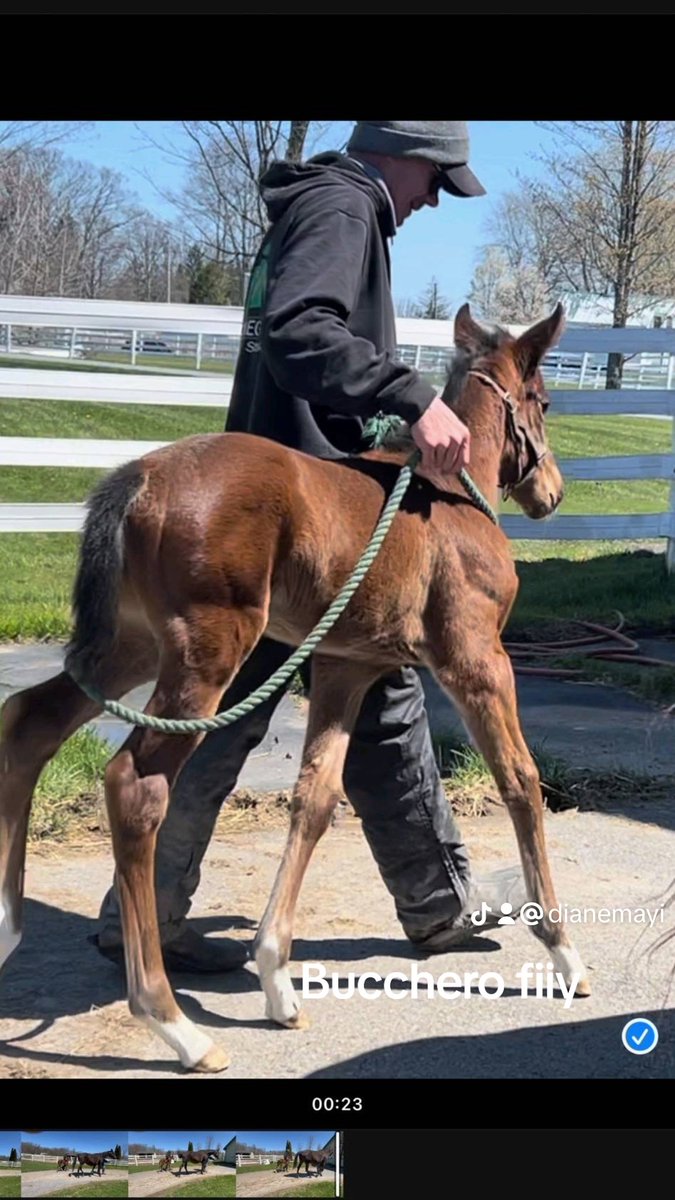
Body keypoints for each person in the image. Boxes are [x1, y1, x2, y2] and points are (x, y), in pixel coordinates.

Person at [92, 120, 527, 974]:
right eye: (435, 180)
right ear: (405, 158)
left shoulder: (321, 202)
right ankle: (432, 905)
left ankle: (148, 909)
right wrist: (410, 397)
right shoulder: (343, 206)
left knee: (298, 703)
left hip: (290, 501)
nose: (431, 200)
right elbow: (300, 330)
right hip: (315, 515)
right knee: (307, 705)